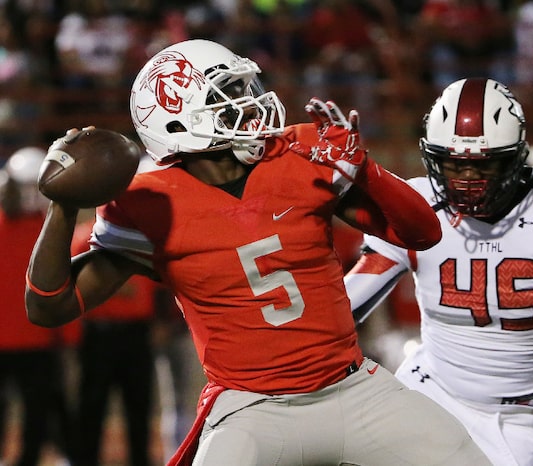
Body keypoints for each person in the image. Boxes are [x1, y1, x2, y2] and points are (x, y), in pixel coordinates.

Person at [24, 38, 490, 466]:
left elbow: (423, 232)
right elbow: (49, 306)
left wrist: (365, 170)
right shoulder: (148, 203)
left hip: (352, 387)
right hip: (252, 406)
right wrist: (62, 207)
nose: (251, 106)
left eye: (245, 88)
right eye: (227, 95)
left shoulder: (302, 150)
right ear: (178, 118)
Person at [344, 77, 533, 466]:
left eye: (483, 165)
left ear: (514, 158)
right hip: (430, 391)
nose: (467, 179)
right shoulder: (420, 208)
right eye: (455, 164)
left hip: (518, 417)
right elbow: (346, 304)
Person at [0, 147, 76, 466]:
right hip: (29, 342)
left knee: (39, 411)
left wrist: (69, 338)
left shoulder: (48, 231)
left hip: (39, 342)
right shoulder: (47, 231)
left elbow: (62, 286)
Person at [69, 214, 160, 466]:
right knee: (92, 406)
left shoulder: (145, 236)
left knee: (139, 406)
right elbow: (75, 288)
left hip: (136, 333)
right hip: (99, 334)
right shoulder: (84, 237)